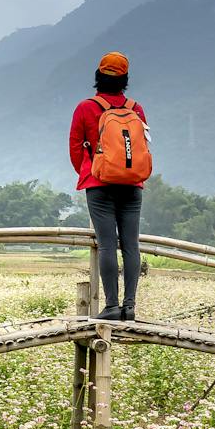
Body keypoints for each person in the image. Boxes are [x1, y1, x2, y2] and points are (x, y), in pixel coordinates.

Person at [69, 51, 149, 320]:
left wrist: (90, 172)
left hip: (99, 184)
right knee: (131, 245)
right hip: (132, 185)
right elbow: (142, 147)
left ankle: (112, 306)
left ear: (98, 77)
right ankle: (129, 306)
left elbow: (75, 149)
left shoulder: (86, 107)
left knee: (106, 245)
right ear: (125, 79)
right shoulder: (136, 109)